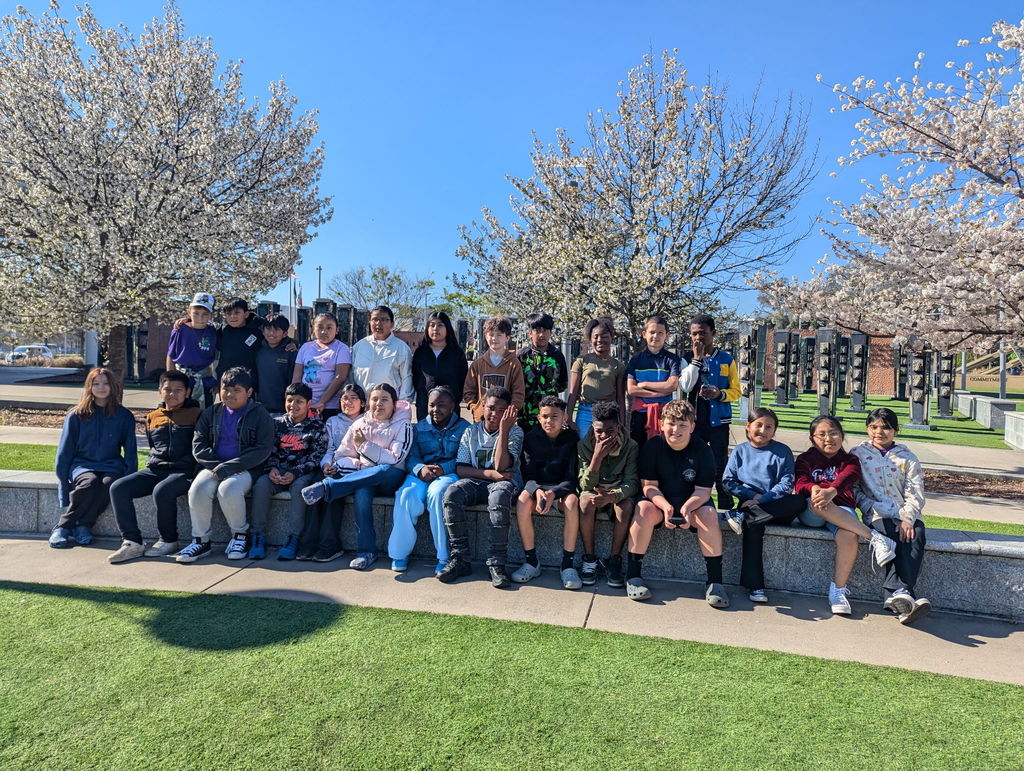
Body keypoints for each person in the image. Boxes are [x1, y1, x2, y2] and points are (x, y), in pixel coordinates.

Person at [625, 399, 728, 606]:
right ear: (661, 424)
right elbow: (649, 486)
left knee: (709, 516)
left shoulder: (703, 450)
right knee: (643, 508)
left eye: (682, 425)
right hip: (660, 502)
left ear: (692, 427)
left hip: (693, 502)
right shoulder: (652, 447)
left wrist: (688, 508)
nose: (676, 429)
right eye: (671, 423)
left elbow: (704, 491)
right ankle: (633, 576)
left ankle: (715, 582)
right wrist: (665, 507)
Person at [300, 382, 413, 570]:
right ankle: (366, 551)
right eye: (375, 399)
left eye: (384, 399)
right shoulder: (359, 424)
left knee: (383, 469)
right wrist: (358, 464)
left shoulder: (403, 425)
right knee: (361, 493)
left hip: (391, 478)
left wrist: (364, 446)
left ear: (394, 403)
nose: (379, 404)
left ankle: (328, 487)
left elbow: (395, 460)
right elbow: (341, 455)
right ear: (368, 403)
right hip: (364, 476)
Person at [794, 415, 898, 615]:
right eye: (821, 434)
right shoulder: (805, 458)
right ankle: (874, 538)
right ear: (812, 438)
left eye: (833, 433)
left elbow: (847, 478)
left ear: (842, 436)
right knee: (819, 503)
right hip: (812, 510)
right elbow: (800, 482)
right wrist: (815, 488)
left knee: (849, 534)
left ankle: (838, 592)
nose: (828, 439)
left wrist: (831, 491)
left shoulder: (850, 459)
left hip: (842, 510)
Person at [176, 367, 275, 563]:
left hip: (246, 469)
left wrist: (231, 467)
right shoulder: (211, 413)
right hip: (214, 466)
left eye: (236, 390)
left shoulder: (260, 414)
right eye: (226, 389)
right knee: (198, 489)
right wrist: (217, 466)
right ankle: (201, 540)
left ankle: (240, 536)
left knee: (228, 489)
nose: (229, 394)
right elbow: (199, 445)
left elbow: (262, 449)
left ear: (249, 392)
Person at [107, 371, 201, 563]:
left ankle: (169, 540)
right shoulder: (152, 417)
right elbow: (153, 447)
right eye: (167, 390)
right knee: (118, 487)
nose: (172, 394)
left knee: (162, 490)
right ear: (159, 391)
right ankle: (132, 542)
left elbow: (201, 446)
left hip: (184, 471)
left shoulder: (198, 415)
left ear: (188, 392)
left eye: (178, 390)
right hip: (156, 469)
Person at [851, 408, 931, 624]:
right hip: (876, 514)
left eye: (886, 427)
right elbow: (854, 489)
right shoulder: (858, 454)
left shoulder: (908, 458)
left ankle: (896, 596)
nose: (880, 432)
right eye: (874, 427)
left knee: (915, 536)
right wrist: (869, 506)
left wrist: (908, 518)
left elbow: (915, 491)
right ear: (868, 429)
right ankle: (904, 593)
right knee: (891, 537)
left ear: (895, 430)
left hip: (906, 513)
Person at [438, 387, 524, 587]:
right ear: (483, 406)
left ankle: (496, 563)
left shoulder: (516, 431)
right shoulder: (471, 430)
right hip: (479, 481)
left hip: (505, 483)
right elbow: (461, 469)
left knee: (499, 495)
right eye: (491, 408)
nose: (495, 414)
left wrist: (504, 430)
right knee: (452, 492)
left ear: (509, 411)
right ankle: (460, 559)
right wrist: (490, 474)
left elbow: (502, 466)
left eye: (502, 410)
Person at [721, 407, 805, 603]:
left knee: (799, 500)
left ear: (775, 430)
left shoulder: (782, 451)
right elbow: (728, 481)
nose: (763, 430)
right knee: (753, 525)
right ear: (748, 426)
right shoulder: (740, 451)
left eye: (769, 427)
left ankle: (740, 514)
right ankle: (755, 587)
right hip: (749, 503)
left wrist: (762, 499)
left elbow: (787, 483)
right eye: (758, 425)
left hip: (774, 503)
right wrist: (751, 495)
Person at [50, 367, 138, 549]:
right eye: (96, 384)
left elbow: (130, 451)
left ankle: (83, 525)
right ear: (89, 387)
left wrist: (130, 478)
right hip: (82, 466)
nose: (101, 388)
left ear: (113, 386)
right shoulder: (76, 416)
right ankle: (63, 527)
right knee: (89, 483)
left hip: (111, 465)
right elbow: (64, 451)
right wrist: (63, 481)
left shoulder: (124, 416)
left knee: (109, 485)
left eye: (106, 383)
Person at [387, 385, 470, 574]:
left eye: (441, 405)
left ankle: (443, 555)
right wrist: (420, 469)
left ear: (453, 406)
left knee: (438, 494)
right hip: (421, 474)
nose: (435, 410)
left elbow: (464, 458)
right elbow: (411, 456)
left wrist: (444, 469)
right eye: (431, 405)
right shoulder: (418, 428)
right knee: (406, 494)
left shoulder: (465, 428)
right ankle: (399, 553)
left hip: (449, 474)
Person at [248, 382, 327, 560]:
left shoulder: (317, 426)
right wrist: (272, 468)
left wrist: (296, 473)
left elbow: (316, 457)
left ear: (308, 403)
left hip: (302, 473)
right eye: (290, 400)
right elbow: (268, 449)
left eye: (299, 401)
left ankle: (294, 538)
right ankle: (257, 536)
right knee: (261, 485)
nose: (293, 405)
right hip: (278, 470)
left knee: (300, 489)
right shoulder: (275, 423)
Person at [511, 396, 582, 589]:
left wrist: (553, 493)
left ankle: (567, 564)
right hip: (537, 486)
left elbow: (572, 478)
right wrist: (538, 490)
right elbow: (528, 474)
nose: (549, 421)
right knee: (523, 501)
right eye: (545, 416)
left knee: (572, 503)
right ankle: (531, 561)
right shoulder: (530, 437)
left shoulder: (572, 439)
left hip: (561, 488)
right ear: (538, 417)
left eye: (555, 416)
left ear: (565, 417)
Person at [300, 383, 367, 561]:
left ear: (362, 403)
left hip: (356, 470)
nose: (349, 402)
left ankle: (330, 546)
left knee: (333, 491)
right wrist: (325, 465)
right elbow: (328, 449)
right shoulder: (332, 421)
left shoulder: (367, 421)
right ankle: (308, 544)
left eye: (354, 398)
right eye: (345, 398)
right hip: (333, 467)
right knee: (314, 488)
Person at [679, 313, 740, 509]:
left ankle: (725, 502)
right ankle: (693, 500)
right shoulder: (686, 359)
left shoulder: (726, 359)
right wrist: (696, 360)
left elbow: (736, 390)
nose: (698, 338)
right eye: (694, 334)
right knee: (692, 460)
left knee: (719, 462)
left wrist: (720, 394)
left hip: (719, 420)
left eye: (703, 333)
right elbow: (685, 386)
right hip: (695, 419)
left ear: (713, 333)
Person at [577, 401, 639, 588]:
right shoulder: (584, 445)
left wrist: (612, 496)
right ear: (593, 427)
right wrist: (596, 457)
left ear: (618, 428)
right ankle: (589, 559)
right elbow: (584, 484)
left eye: (610, 431)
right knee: (585, 503)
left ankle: (614, 559)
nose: (603, 436)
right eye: (599, 431)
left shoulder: (630, 446)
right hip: (593, 489)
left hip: (616, 491)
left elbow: (632, 483)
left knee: (626, 506)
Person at [625, 315, 681, 448]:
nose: (655, 336)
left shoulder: (672, 359)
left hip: (665, 414)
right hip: (640, 414)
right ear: (644, 334)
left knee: (663, 451)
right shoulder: (635, 360)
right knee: (639, 451)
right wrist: (659, 393)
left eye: (660, 333)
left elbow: (671, 385)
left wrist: (644, 385)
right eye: (652, 332)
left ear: (666, 335)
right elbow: (632, 389)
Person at [565, 317, 626, 437]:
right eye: (595, 336)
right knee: (584, 445)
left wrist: (623, 423)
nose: (600, 340)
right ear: (590, 339)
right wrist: (569, 418)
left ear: (611, 338)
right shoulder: (582, 361)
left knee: (607, 447)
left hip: (609, 413)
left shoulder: (618, 366)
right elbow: (573, 392)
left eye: (604, 336)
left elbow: (620, 398)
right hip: (585, 412)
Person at [463, 315, 525, 421]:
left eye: (499, 335)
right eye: (491, 335)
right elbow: (469, 391)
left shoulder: (514, 364)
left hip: (504, 419)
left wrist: (511, 410)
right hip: (481, 420)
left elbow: (518, 392)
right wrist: (475, 408)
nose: (494, 338)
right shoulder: (477, 364)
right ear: (486, 337)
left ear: (507, 338)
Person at [292, 311, 352, 419]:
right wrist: (296, 400)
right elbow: (297, 376)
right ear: (313, 329)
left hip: (329, 406)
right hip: (305, 405)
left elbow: (340, 377)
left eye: (329, 327)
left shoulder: (341, 349)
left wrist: (322, 402)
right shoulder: (305, 347)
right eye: (320, 327)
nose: (324, 331)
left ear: (337, 329)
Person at [350, 305, 414, 404]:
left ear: (392, 324)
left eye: (384, 320)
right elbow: (351, 375)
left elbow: (407, 378)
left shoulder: (401, 348)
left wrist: (403, 406)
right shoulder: (359, 347)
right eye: (374, 319)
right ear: (369, 322)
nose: (378, 323)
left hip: (389, 406)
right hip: (361, 405)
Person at [411, 310, 468, 419]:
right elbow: (415, 378)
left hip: (450, 407)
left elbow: (463, 380)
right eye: (432, 325)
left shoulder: (456, 353)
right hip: (425, 406)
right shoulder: (421, 352)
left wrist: (453, 399)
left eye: (440, 325)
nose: (435, 329)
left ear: (448, 328)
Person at [516, 312, 568, 430]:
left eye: (545, 330)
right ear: (530, 333)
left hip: (549, 416)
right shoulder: (521, 356)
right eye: (537, 330)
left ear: (550, 332)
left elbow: (562, 385)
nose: (541, 334)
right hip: (526, 415)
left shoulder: (557, 356)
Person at [165, 292, 218, 408]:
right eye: (196, 313)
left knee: (204, 414)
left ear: (211, 315)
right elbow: (171, 356)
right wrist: (171, 380)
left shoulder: (213, 332)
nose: (200, 318)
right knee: (181, 412)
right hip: (183, 379)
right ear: (189, 312)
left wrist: (216, 381)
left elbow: (217, 357)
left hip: (205, 381)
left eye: (205, 314)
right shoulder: (180, 330)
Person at [255, 313, 298, 415]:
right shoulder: (257, 350)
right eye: (268, 328)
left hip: (284, 409)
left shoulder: (291, 353)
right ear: (263, 331)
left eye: (276, 329)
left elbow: (294, 381)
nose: (271, 333)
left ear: (285, 333)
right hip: (261, 407)